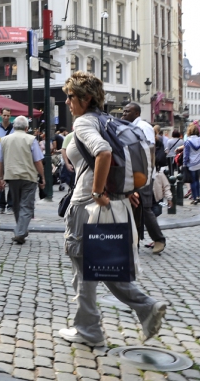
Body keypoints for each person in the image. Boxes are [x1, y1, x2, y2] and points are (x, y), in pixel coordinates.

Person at [59, 71, 167, 347]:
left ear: (86, 98)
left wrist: (97, 192)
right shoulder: (109, 120)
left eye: (71, 97)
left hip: (87, 206)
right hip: (113, 204)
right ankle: (145, 307)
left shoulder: (83, 123)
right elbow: (121, 160)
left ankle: (89, 331)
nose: (68, 102)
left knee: (85, 270)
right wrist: (122, 190)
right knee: (103, 268)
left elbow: (104, 153)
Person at [121, 103, 167, 254]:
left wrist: (147, 175)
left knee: (145, 208)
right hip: (134, 174)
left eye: (127, 111)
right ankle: (134, 241)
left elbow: (149, 150)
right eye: (124, 111)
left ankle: (159, 239)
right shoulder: (129, 126)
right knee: (135, 208)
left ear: (136, 113)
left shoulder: (143, 126)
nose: (123, 113)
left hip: (143, 176)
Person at [0, 115, 45, 245]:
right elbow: (37, 160)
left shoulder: (4, 140)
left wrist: (0, 177)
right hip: (29, 176)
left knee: (16, 204)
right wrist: (42, 176)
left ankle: (20, 230)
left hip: (12, 176)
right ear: (27, 128)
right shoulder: (31, 139)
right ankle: (21, 232)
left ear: (14, 126)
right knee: (26, 205)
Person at [0, 108, 13, 214]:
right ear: (0, 115)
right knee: (0, 181)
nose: (6, 117)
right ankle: (1, 205)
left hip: (11, 157)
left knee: (11, 181)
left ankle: (10, 205)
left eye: (8, 115)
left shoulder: (14, 128)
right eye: (4, 115)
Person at [183, 124, 200, 205]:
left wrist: (184, 163)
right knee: (197, 180)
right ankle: (198, 196)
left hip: (192, 164)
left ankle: (195, 197)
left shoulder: (188, 141)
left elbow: (186, 154)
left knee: (192, 181)